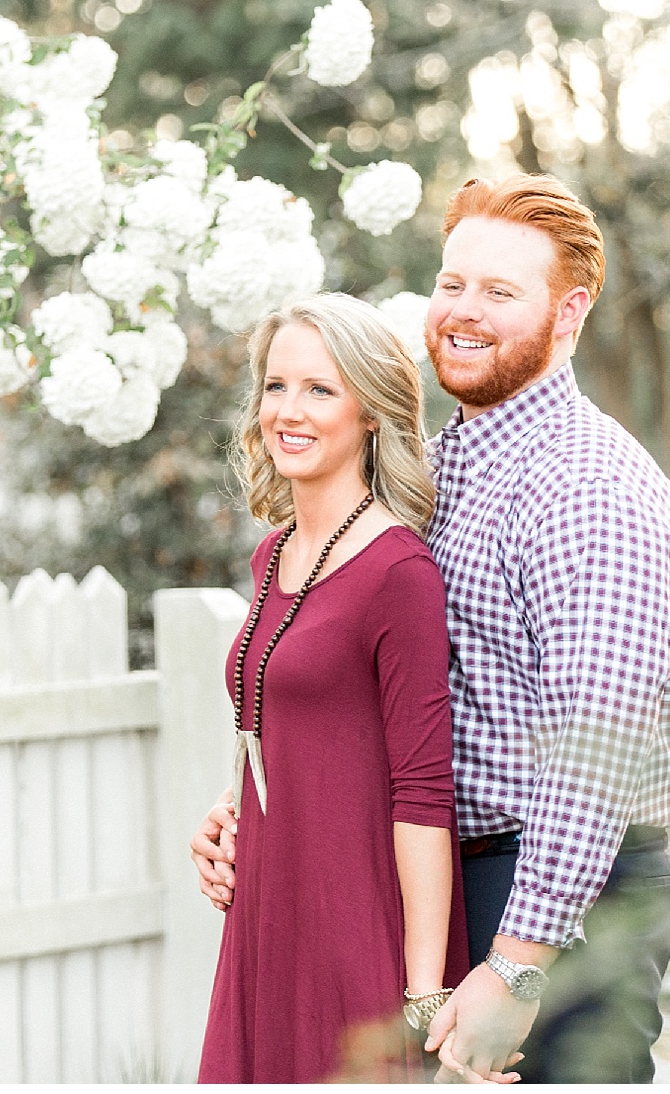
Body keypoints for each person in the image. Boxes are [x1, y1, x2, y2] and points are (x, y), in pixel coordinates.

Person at [197, 176, 670, 1083]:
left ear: (570, 311)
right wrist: (263, 811)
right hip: (444, 886)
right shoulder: (442, 471)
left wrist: (516, 966)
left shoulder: (590, 491)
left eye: (501, 292)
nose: (463, 312)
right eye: (451, 282)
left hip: (561, 904)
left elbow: (598, 757)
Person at [193, 294, 478, 1084]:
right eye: (276, 386)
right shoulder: (271, 555)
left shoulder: (398, 573)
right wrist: (229, 811)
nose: (289, 409)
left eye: (320, 389)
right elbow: (301, 728)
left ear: (372, 411)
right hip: (268, 917)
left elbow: (422, 792)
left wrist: (423, 1002)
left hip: (354, 928)